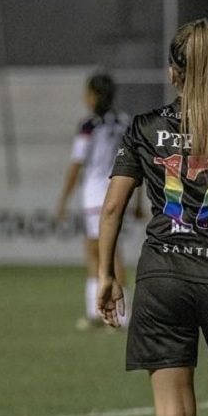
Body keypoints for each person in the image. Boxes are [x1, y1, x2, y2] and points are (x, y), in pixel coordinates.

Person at [93, 19, 208, 416]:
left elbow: (112, 208)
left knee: (172, 410)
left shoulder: (145, 126)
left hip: (162, 275)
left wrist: (106, 275)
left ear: (173, 73)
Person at [55, 72, 132, 330]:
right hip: (119, 194)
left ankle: (99, 313)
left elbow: (77, 164)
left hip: (94, 196)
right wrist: (138, 202)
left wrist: (63, 200)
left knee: (95, 254)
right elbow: (135, 164)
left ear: (94, 96)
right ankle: (117, 314)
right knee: (114, 253)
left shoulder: (89, 126)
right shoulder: (125, 123)